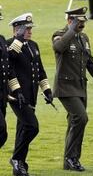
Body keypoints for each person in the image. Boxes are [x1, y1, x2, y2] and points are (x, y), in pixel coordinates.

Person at [52, 7, 93, 171]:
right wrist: (70, 30)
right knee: (81, 118)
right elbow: (59, 48)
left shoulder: (83, 38)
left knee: (75, 123)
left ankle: (70, 161)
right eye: (78, 22)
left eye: (83, 22)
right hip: (65, 87)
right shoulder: (60, 34)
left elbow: (91, 64)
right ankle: (71, 158)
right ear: (70, 21)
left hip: (80, 87)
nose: (82, 26)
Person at [7, 13, 53, 176]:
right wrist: (18, 39)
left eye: (30, 28)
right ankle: (16, 159)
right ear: (16, 29)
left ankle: (19, 166)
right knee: (32, 127)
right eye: (26, 29)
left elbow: (40, 70)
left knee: (23, 129)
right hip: (17, 95)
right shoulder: (10, 44)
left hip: (31, 94)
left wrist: (46, 90)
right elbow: (10, 60)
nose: (30, 31)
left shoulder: (33, 45)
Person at [0, 6, 21, 150]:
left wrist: (16, 90)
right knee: (1, 130)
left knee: (2, 134)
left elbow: (8, 68)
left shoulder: (1, 39)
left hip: (2, 95)